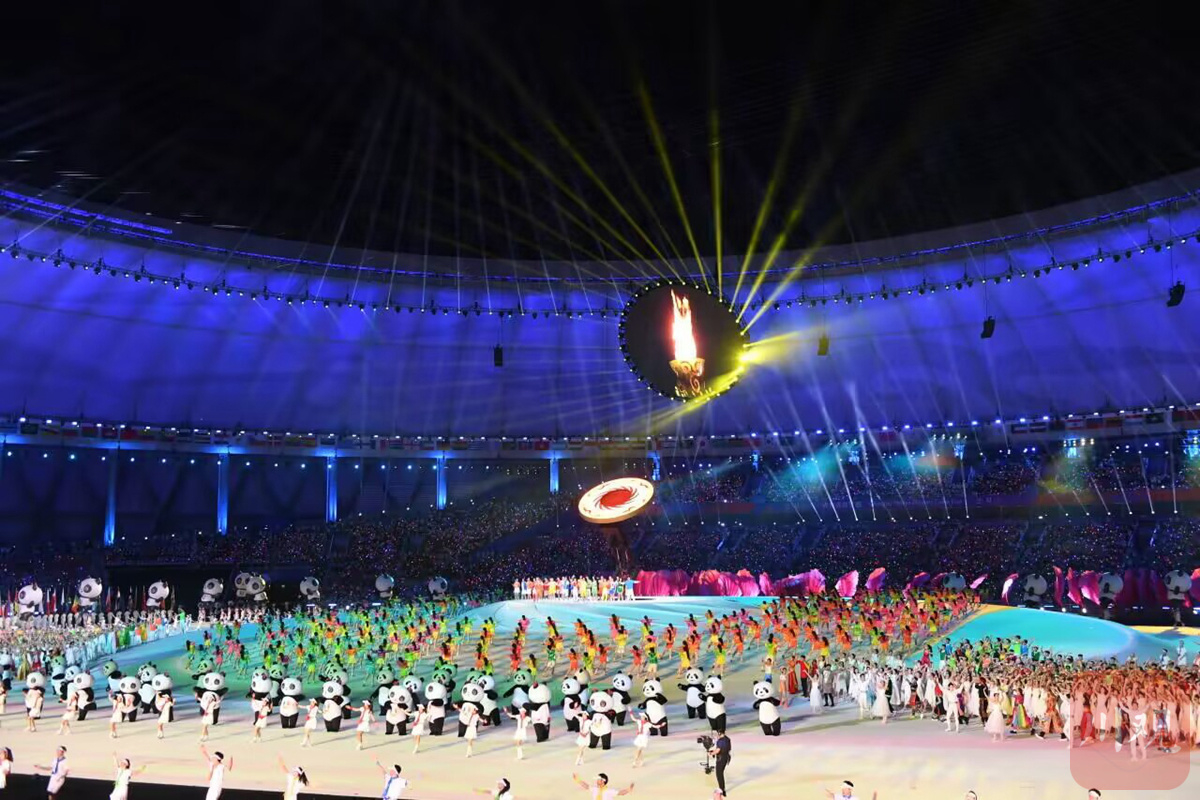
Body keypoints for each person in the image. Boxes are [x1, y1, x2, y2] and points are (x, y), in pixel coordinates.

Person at [708, 729, 731, 797]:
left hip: (721, 759)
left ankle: (722, 790)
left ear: (719, 733)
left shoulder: (720, 741)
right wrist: (713, 751)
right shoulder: (727, 739)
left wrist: (711, 754)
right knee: (721, 773)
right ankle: (722, 789)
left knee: (719, 774)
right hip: (726, 758)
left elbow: (718, 750)